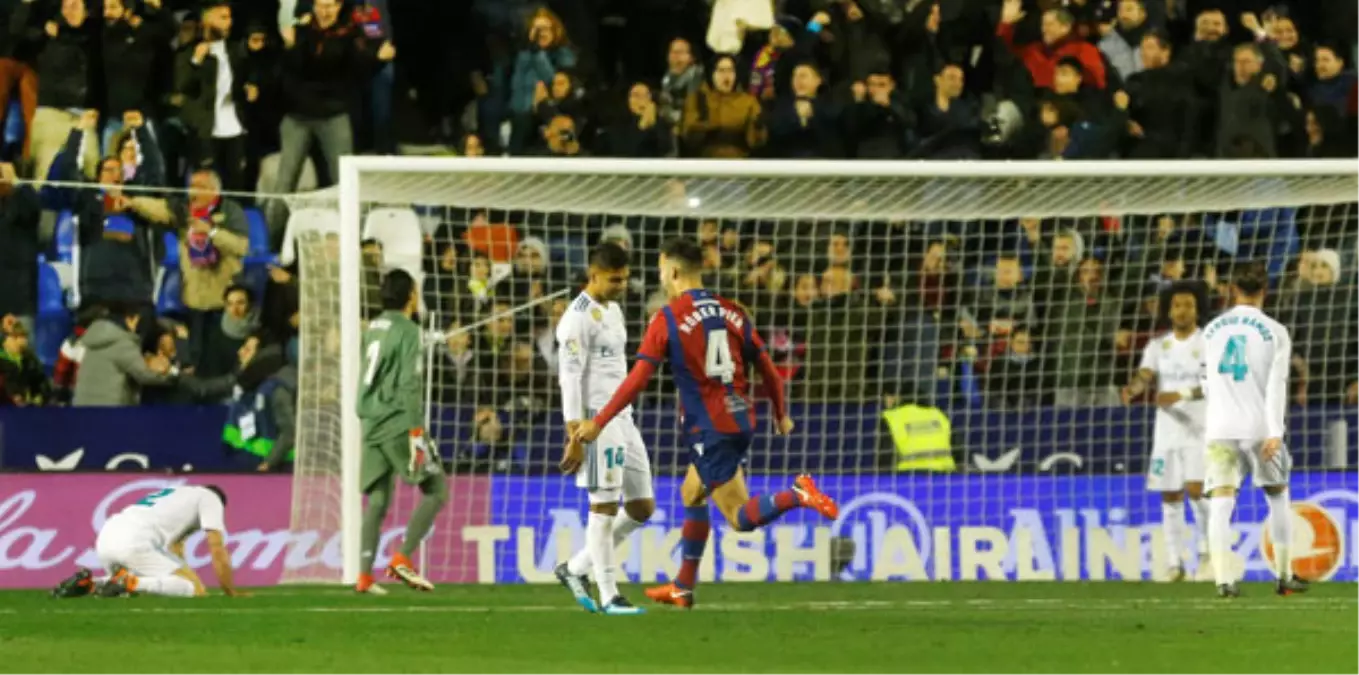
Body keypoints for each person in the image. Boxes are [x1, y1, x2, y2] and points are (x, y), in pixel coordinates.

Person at [571, 238, 839, 609]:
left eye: (662, 269)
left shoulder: (667, 318)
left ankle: (798, 493)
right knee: (691, 492)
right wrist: (781, 414)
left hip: (709, 427)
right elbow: (770, 372)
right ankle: (683, 586)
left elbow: (637, 380)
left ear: (674, 271)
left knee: (739, 518)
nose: (660, 277)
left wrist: (599, 421)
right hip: (740, 417)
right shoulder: (733, 311)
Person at [552, 243, 653, 616]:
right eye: (615, 279)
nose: (621, 285)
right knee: (604, 507)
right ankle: (610, 595)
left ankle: (575, 568)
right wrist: (574, 435)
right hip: (595, 420)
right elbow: (570, 378)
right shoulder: (576, 319)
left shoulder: (613, 309)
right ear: (593, 275)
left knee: (642, 506)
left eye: (625, 279)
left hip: (622, 416)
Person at [1200, 261, 1308, 598]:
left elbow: (1204, 381)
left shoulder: (1212, 329)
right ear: (1266, 290)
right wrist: (1276, 430)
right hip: (1260, 428)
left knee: (1221, 502)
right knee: (1278, 495)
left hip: (1219, 427)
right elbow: (1278, 385)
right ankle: (1284, 575)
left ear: (1233, 289)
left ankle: (1223, 581)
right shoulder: (1275, 331)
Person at [355, 270, 448, 594]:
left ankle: (364, 576)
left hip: (370, 419)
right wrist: (416, 432)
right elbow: (409, 383)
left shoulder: (373, 327)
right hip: (397, 420)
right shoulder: (409, 330)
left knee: (378, 499)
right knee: (437, 489)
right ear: (411, 295)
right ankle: (403, 558)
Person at [1119, 287, 1210, 582]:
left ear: (1197, 310)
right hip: (1167, 432)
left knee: (1196, 490)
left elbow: (1214, 383)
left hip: (1199, 429)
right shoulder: (1158, 346)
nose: (1183, 310)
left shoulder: (1208, 342)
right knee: (1170, 494)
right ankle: (1174, 563)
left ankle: (1208, 554)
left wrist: (1180, 393)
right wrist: (1132, 390)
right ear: (1169, 311)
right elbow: (1145, 375)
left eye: (1189, 305)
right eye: (1177, 306)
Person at [50, 484, 246, 598]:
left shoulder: (178, 495)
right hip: (135, 541)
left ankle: (89, 583)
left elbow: (175, 550)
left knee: (156, 578)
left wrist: (181, 571)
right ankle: (130, 582)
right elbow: (217, 548)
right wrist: (229, 590)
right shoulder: (210, 498)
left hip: (107, 536)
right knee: (194, 588)